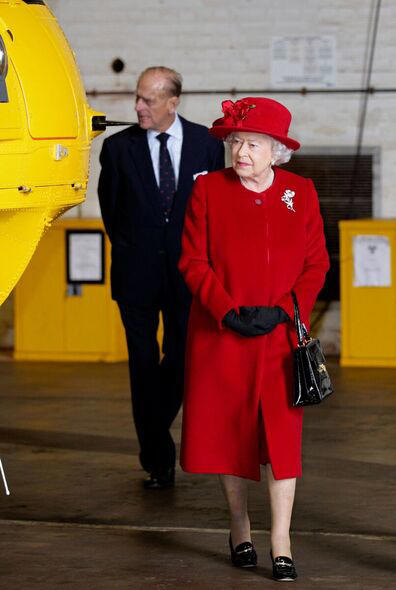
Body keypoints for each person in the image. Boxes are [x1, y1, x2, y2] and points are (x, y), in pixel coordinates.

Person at [178, 97, 329, 581]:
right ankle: (239, 526)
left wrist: (286, 310)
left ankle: (281, 539)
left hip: (281, 338)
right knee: (231, 434)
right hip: (222, 335)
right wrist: (227, 311)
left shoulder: (300, 192)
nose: (241, 151)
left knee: (282, 440)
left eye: (253, 144)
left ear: (277, 150)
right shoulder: (208, 191)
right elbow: (193, 262)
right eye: (236, 142)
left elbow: (316, 264)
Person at [98, 67, 225, 490]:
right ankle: (158, 458)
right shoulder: (118, 150)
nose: (138, 107)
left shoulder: (208, 144)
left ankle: (153, 428)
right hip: (135, 275)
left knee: (181, 358)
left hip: (188, 275)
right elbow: (111, 213)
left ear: (173, 102)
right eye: (137, 98)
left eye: (148, 100)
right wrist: (139, 250)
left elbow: (212, 212)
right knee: (141, 362)